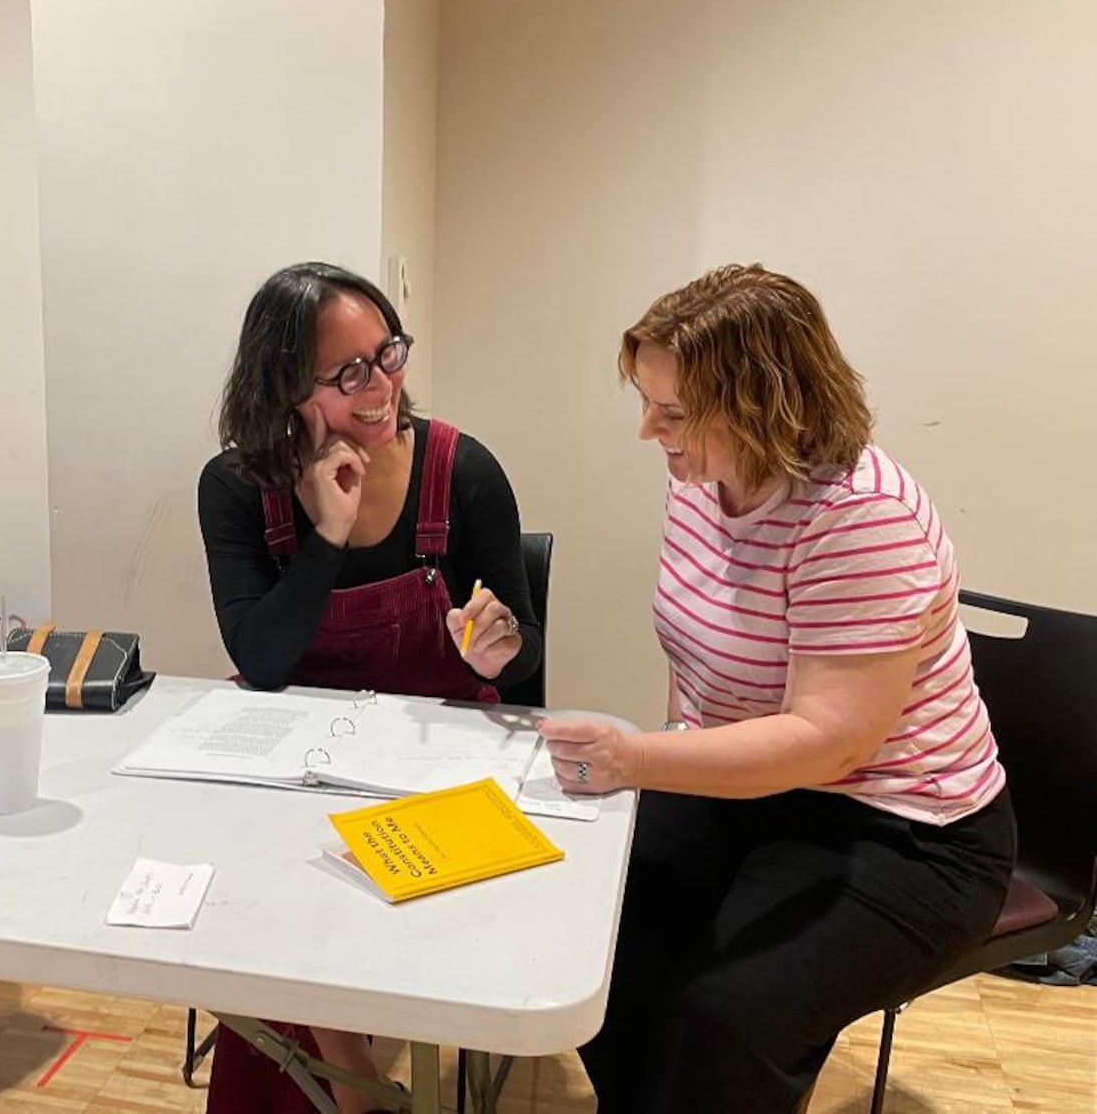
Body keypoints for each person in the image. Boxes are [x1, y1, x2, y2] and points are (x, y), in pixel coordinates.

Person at [538, 264, 1014, 1113]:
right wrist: (662, 753)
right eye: (647, 402)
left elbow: (833, 740)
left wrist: (632, 758)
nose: (649, 430)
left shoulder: (863, 518)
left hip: (904, 828)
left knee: (720, 1022)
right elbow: (704, 655)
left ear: (764, 404)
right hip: (754, 788)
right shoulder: (703, 479)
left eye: (674, 412)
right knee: (588, 943)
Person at [197, 261, 542, 1114]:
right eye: (349, 373)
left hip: (436, 763)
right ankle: (356, 1080)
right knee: (264, 906)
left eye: (388, 354)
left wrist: (496, 652)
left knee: (313, 937)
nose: (382, 386)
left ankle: (352, 1086)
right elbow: (264, 659)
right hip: (294, 768)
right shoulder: (237, 488)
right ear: (283, 387)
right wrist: (328, 534)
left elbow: (525, 654)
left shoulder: (464, 471)